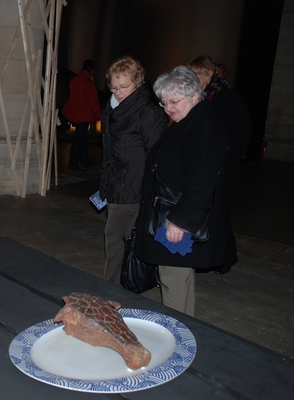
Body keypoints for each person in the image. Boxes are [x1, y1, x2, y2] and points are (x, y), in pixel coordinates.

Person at [134, 66, 236, 316]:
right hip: (170, 212)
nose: (168, 108)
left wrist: (181, 222)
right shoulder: (190, 120)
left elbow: (202, 181)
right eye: (164, 102)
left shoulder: (204, 125)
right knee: (179, 277)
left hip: (175, 218)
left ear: (194, 94)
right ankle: (186, 327)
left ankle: (175, 334)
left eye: (174, 101)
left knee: (173, 279)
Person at [98, 55, 167, 286]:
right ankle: (116, 287)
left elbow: (157, 154)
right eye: (114, 87)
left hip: (133, 186)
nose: (118, 92)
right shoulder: (113, 106)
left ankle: (111, 292)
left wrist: (151, 190)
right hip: (115, 182)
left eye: (124, 87)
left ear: (137, 82)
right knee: (117, 238)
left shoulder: (147, 110)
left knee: (115, 238)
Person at [187, 55, 252, 274]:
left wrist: (230, 155)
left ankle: (223, 259)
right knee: (208, 211)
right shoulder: (200, 98)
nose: (193, 78)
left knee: (219, 211)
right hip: (206, 163)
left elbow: (242, 132)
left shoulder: (227, 98)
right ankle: (214, 257)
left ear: (208, 74)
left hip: (224, 165)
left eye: (196, 74)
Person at [62, 59, 102, 171]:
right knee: (79, 140)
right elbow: (93, 102)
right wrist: (100, 115)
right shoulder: (88, 84)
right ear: (92, 70)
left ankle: (84, 161)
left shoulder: (75, 80)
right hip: (84, 116)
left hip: (76, 114)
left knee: (81, 139)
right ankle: (73, 164)